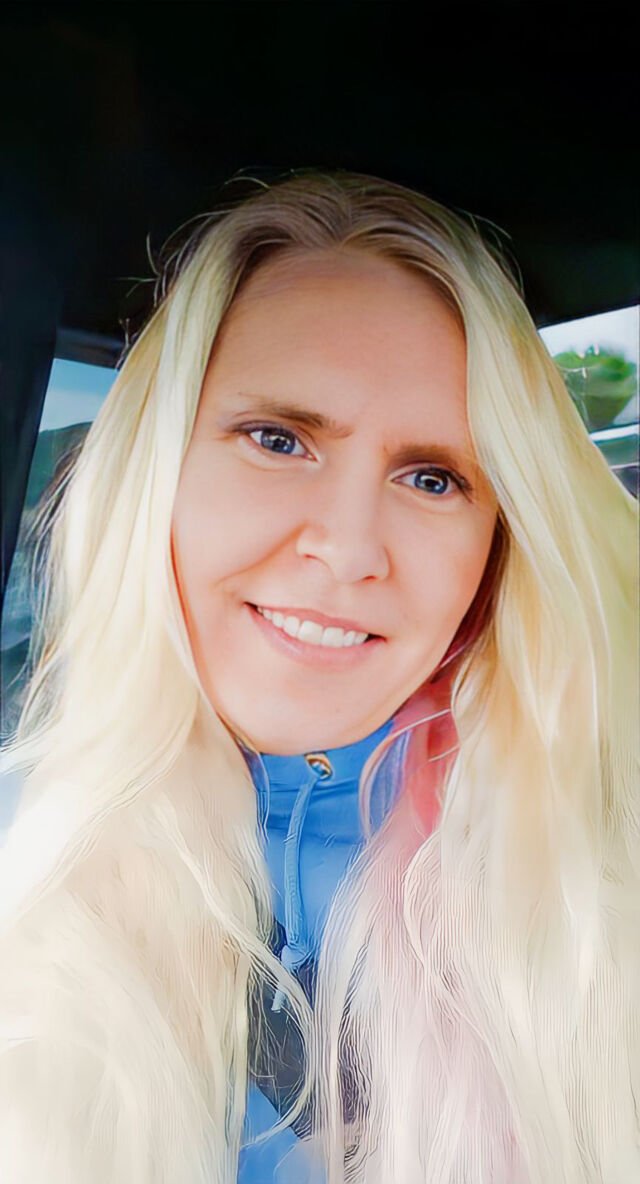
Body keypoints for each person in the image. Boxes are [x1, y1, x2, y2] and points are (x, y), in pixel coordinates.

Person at [0, 169, 637, 1184]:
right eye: (278, 439)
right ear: (158, 467)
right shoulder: (26, 847)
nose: (346, 550)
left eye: (432, 477)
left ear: (499, 540)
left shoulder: (599, 870)